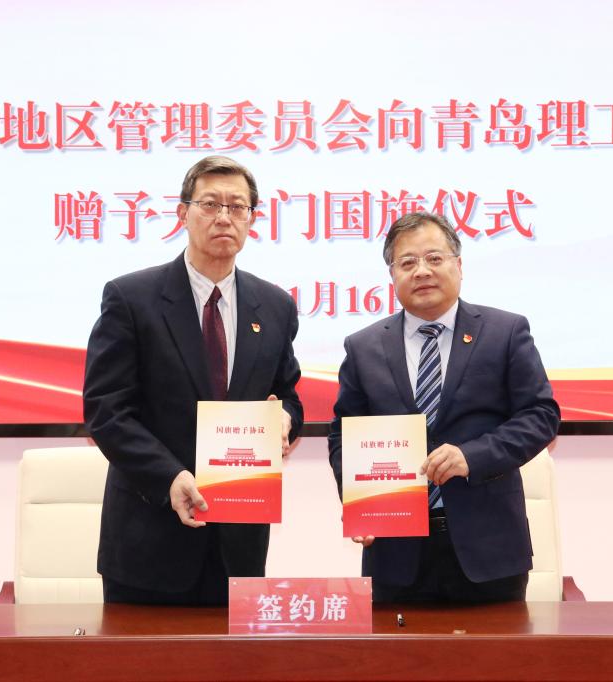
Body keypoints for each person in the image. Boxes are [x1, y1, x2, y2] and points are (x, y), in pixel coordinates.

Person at [84, 156, 303, 605]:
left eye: (237, 206)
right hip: (149, 542)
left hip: (239, 545)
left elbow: (288, 395)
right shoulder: (132, 298)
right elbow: (106, 411)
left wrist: (284, 419)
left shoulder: (275, 306)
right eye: (210, 204)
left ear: (252, 219)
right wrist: (170, 476)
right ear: (183, 213)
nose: (224, 217)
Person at [328, 211, 559, 603]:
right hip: (395, 550)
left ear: (458, 265)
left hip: (489, 550)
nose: (422, 271)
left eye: (434, 258)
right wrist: (356, 500)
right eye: (407, 262)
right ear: (392, 275)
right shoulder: (363, 347)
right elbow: (343, 436)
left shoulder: (504, 332)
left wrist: (472, 456)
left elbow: (541, 415)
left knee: (495, 646)